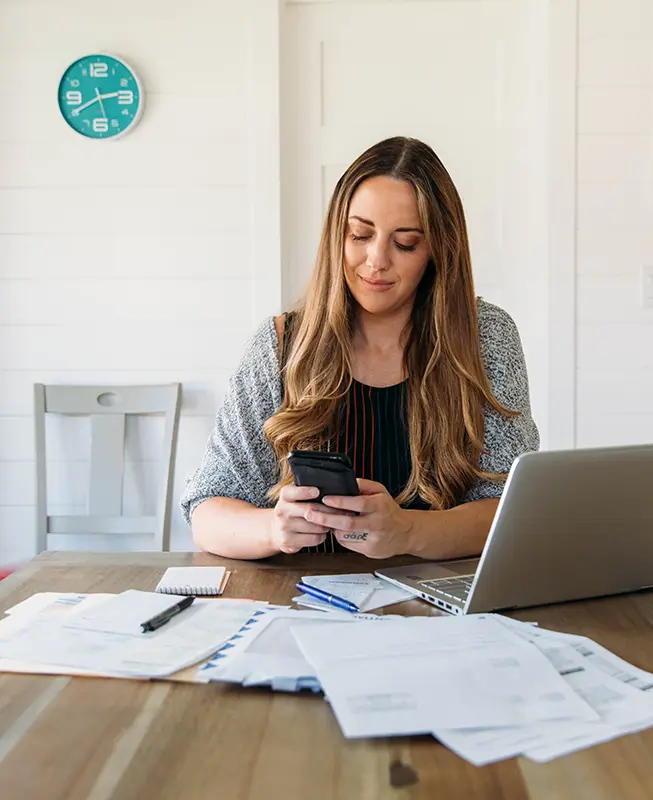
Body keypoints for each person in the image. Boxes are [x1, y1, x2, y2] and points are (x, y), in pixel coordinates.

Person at [181, 136, 539, 559]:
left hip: (437, 610)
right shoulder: (280, 346)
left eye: (405, 242)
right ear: (337, 235)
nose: (376, 260)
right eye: (359, 235)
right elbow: (207, 511)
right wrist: (272, 528)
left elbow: (511, 511)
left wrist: (407, 532)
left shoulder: (486, 338)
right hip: (300, 606)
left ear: (439, 250)